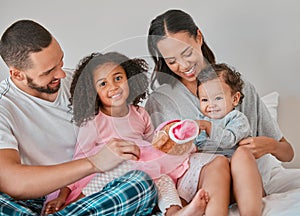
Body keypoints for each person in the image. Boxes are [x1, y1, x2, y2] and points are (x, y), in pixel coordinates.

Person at [145, 9, 295, 216]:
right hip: (201, 188)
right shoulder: (159, 102)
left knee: (240, 156)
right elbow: (158, 164)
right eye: (171, 61)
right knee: (217, 165)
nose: (183, 65)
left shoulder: (236, 88)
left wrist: (270, 145)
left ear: (199, 37)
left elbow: (288, 153)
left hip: (246, 185)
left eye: (187, 52)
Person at [0, 19, 157, 216]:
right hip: (36, 198)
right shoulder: (4, 106)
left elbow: (125, 116)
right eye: (49, 72)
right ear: (17, 75)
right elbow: (12, 182)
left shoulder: (80, 83)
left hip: (90, 191)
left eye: (60, 61)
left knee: (140, 184)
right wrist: (94, 162)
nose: (61, 74)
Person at [45, 52, 209, 216]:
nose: (113, 87)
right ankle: (76, 204)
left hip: (139, 170)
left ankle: (174, 212)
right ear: (92, 92)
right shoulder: (93, 121)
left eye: (118, 78)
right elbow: (80, 161)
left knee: (162, 177)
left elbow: (154, 146)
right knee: (124, 164)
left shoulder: (140, 114)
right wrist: (62, 195)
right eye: (103, 84)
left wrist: (176, 141)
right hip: (104, 176)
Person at [194, 63, 263, 212]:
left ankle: (251, 211)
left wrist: (208, 127)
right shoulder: (200, 121)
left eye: (218, 98)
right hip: (216, 181)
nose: (211, 105)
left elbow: (228, 139)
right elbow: (197, 147)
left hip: (239, 181)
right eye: (204, 100)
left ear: (235, 98)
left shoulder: (237, 119)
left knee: (243, 154)